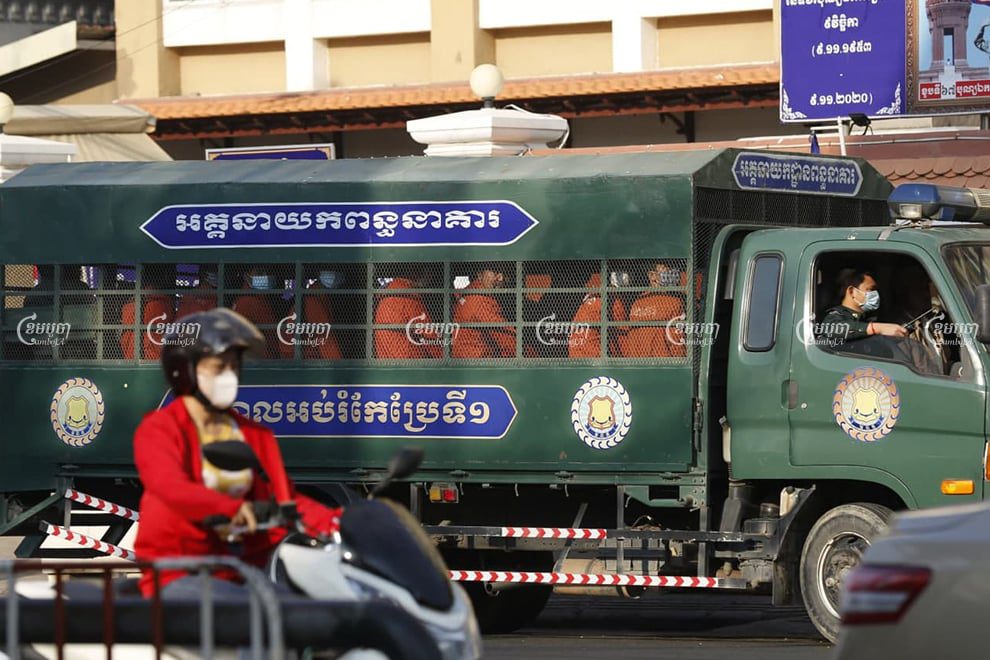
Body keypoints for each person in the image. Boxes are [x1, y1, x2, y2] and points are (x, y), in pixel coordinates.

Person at [132, 308, 342, 598]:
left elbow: (284, 499)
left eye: (234, 367)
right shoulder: (160, 429)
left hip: (241, 571)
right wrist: (231, 508)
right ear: (184, 370)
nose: (229, 377)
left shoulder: (253, 434)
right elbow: (170, 487)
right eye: (219, 368)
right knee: (265, 621)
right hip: (179, 573)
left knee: (314, 615)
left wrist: (338, 522)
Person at [817, 269, 908, 346]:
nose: (875, 295)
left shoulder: (867, 319)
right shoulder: (835, 316)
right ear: (852, 292)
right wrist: (876, 328)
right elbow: (831, 328)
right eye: (870, 289)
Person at [621, 261, 687, 358]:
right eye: (666, 269)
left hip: (636, 362)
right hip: (664, 363)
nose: (672, 272)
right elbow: (676, 339)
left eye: (673, 268)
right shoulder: (674, 301)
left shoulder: (637, 301)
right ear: (652, 276)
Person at [373, 270, 442, 359]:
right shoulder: (409, 298)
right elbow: (429, 336)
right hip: (408, 365)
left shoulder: (386, 296)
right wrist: (445, 358)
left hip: (386, 362)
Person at [452, 267, 515, 358]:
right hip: (476, 360)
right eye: (494, 271)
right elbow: (504, 334)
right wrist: (527, 353)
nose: (500, 278)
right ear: (479, 274)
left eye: (502, 273)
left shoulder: (479, 294)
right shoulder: (477, 298)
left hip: (478, 357)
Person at [231, 266, 292, 359]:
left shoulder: (261, 300)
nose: (265, 276)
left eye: (267, 272)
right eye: (259, 272)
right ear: (247, 276)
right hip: (261, 360)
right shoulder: (247, 301)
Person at [569, 271, 628, 358]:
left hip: (575, 351)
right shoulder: (613, 302)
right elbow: (621, 336)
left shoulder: (591, 298)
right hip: (590, 354)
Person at [121, 269, 175, 361]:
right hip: (153, 357)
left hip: (130, 354)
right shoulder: (164, 305)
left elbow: (125, 334)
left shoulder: (129, 305)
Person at [302, 268, 343, 360]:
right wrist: (338, 366)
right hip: (308, 356)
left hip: (311, 352)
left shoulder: (322, 297)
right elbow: (325, 339)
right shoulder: (312, 301)